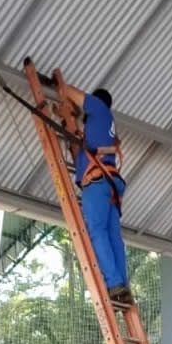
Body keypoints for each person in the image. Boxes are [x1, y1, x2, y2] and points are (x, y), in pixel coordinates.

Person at [61, 83, 130, 304]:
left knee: (97, 231)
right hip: (109, 183)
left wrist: (59, 86)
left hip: (98, 183)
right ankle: (121, 285)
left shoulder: (100, 110)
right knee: (113, 237)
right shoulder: (104, 131)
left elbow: (72, 93)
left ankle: (113, 283)